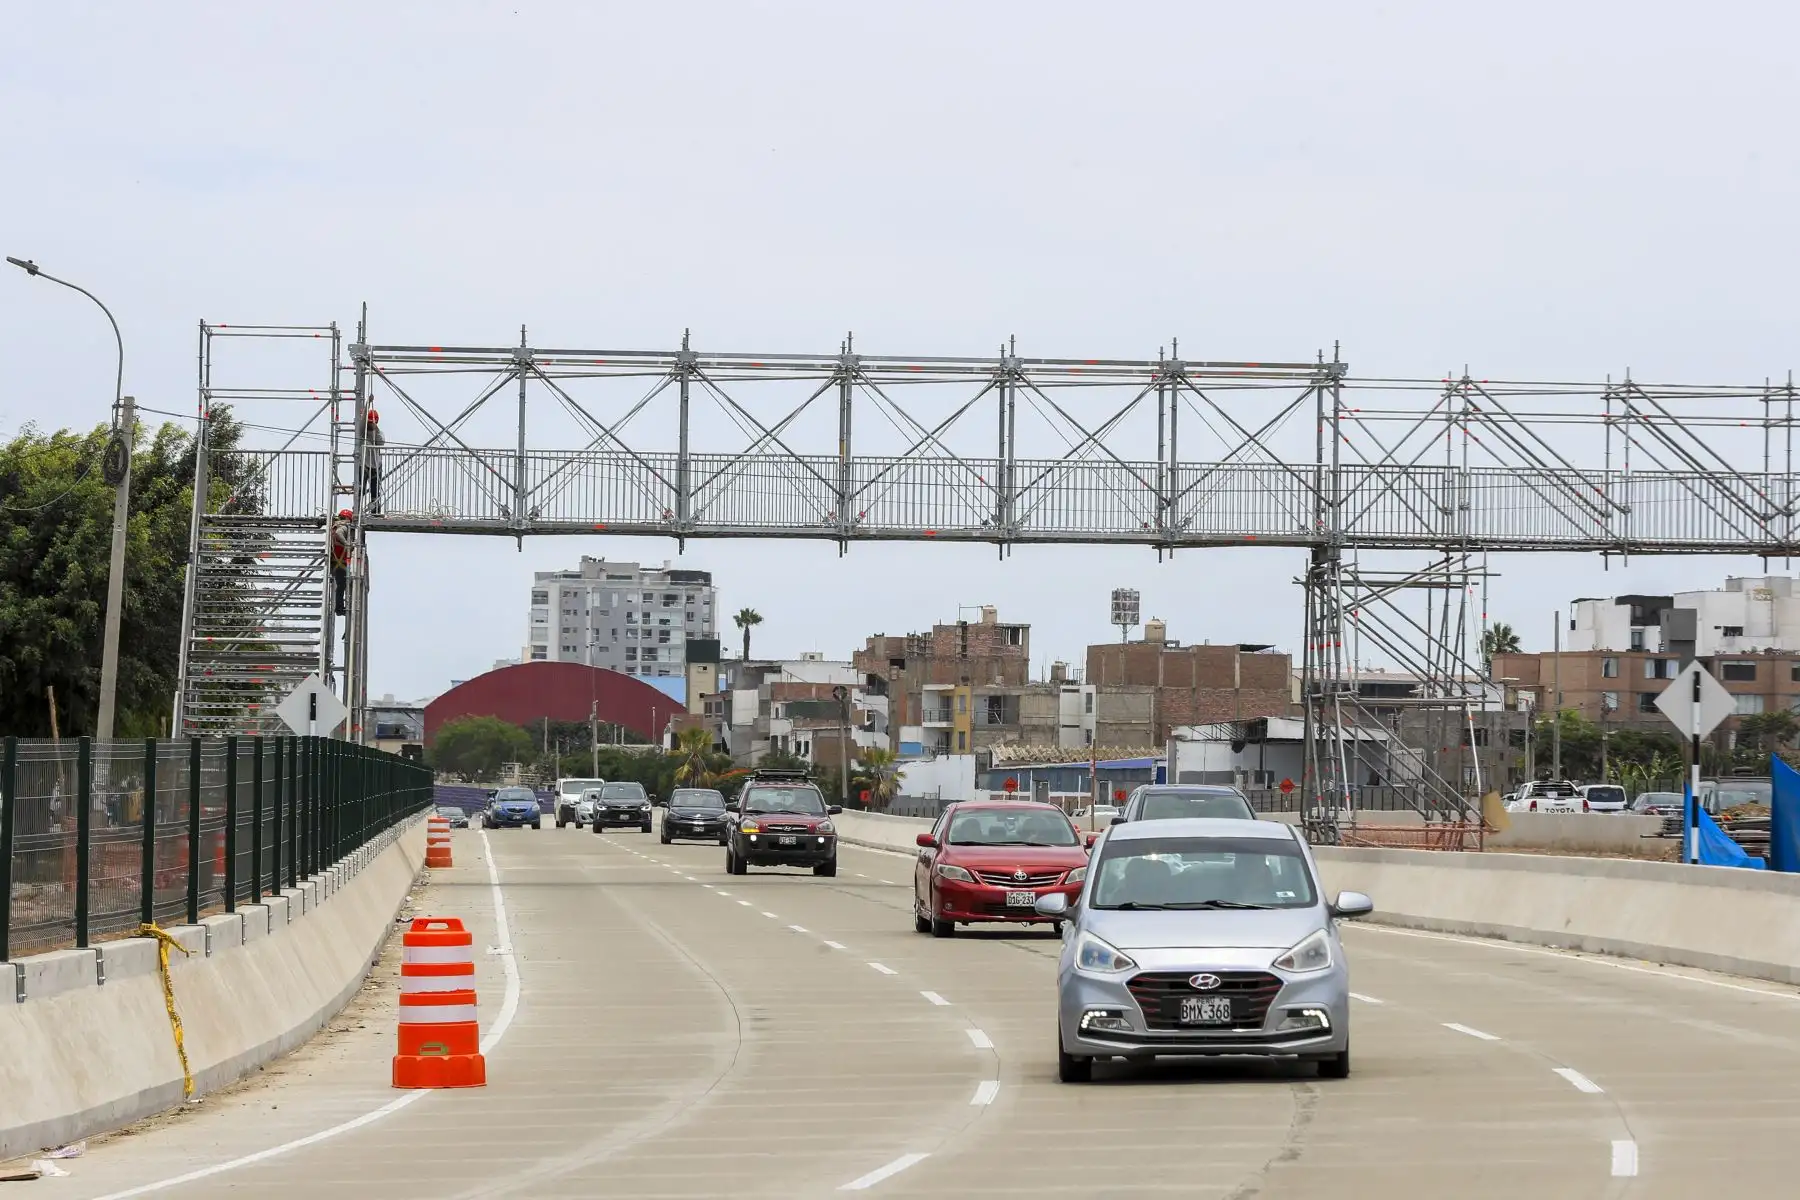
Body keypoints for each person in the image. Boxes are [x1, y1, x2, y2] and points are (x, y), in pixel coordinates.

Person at [330, 509, 354, 616]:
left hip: (335, 562)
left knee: (342, 585)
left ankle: (340, 608)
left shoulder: (335, 526)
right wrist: (348, 544)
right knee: (342, 586)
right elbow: (339, 534)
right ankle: (339, 609)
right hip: (340, 563)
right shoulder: (344, 527)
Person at [364, 409, 385, 515]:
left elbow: (381, 442)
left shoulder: (378, 432)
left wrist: (375, 429)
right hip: (363, 464)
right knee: (360, 489)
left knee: (375, 490)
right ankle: (357, 509)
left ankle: (375, 510)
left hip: (376, 465)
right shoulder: (362, 432)